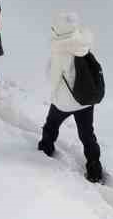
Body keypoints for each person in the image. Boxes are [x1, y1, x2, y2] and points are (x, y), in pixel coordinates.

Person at [38, 12, 102, 183]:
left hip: (65, 102)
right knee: (87, 133)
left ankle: (45, 148)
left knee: (51, 124)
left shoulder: (60, 52)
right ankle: (94, 165)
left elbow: (52, 79)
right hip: (86, 99)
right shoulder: (84, 43)